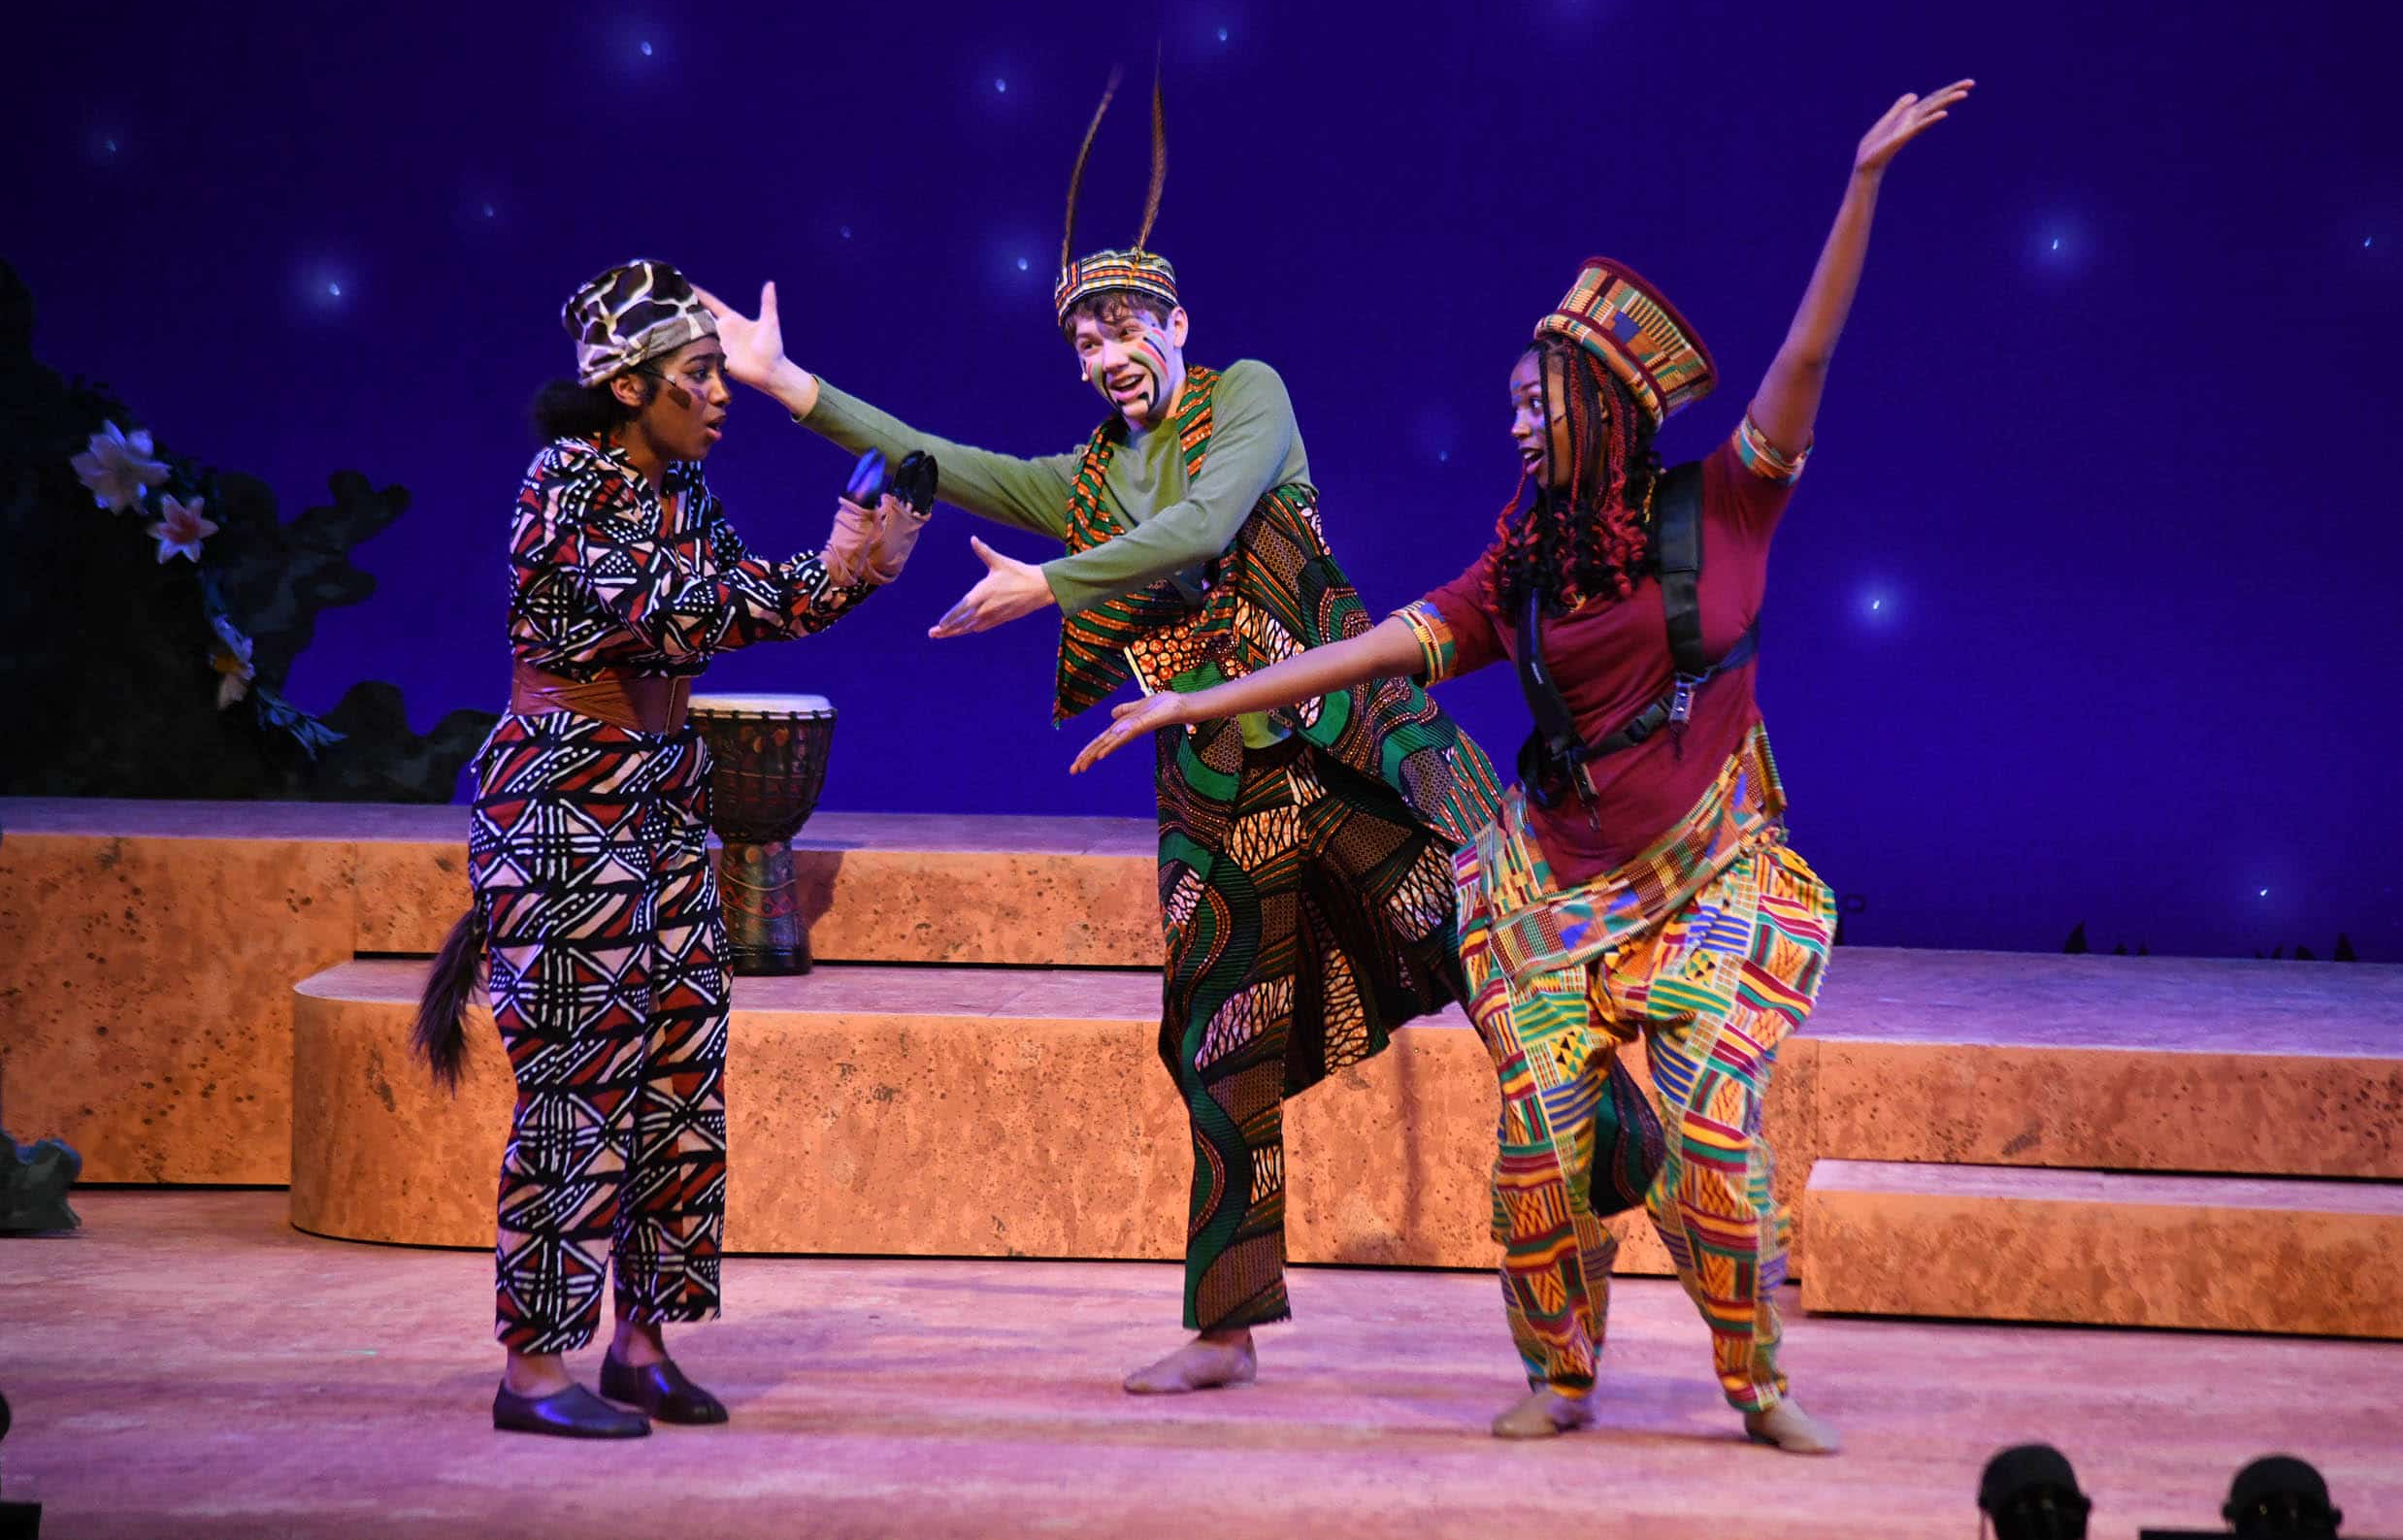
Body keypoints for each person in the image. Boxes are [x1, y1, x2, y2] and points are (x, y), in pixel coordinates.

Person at [1072, 82, 1974, 1448]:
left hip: (1711, 882)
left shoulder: (1725, 505)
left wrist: (1861, 185)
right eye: (1509, 405)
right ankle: (1561, 1375)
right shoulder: (1523, 569)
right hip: (1550, 895)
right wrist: (1195, 697)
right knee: (1541, 1144)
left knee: (1712, 1137)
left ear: (1602, 407)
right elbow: (1370, 649)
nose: (1514, 426)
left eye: (1533, 403)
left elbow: (1808, 353)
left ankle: (1757, 1382)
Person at [700, 72, 1502, 1393]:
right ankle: (1227, 1327)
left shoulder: (1248, 397)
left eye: (1124, 327)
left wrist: (1047, 584)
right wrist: (791, 384)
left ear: (1178, 324)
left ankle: (1646, 1171)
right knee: (1217, 1039)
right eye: (1082, 341)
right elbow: (936, 455)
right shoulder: (1083, 480)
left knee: (1501, 957)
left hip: (1350, 740)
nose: (1104, 355)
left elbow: (1202, 525)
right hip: (1215, 780)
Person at [412, 258, 937, 1439]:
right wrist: (831, 562)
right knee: (580, 1082)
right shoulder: (565, 485)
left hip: (659, 795)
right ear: (629, 387)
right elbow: (677, 611)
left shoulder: (682, 488)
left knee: (678, 1082)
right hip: (564, 799)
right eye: (699, 374)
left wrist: (859, 566)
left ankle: (641, 1344)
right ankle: (532, 1370)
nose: (720, 393)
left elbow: (744, 596)